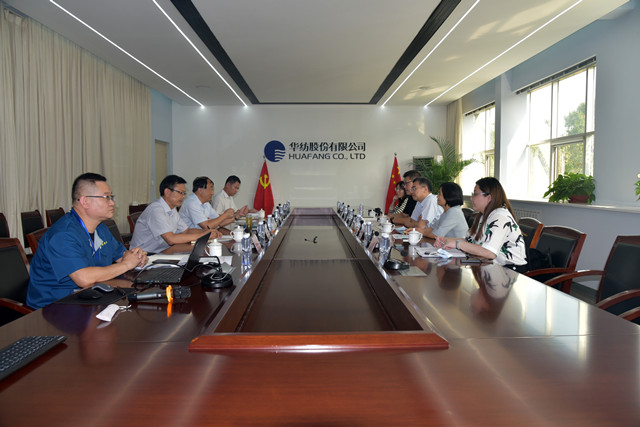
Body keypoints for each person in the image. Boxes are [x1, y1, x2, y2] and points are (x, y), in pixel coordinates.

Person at [27, 173, 148, 310]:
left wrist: (136, 257)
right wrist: (126, 264)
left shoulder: (100, 228)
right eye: (106, 197)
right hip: (55, 307)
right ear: (85, 201)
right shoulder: (63, 234)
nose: (112, 203)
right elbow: (83, 278)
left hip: (92, 296)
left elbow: (122, 256)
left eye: (111, 197)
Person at [435, 177, 527, 271]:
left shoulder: (500, 216)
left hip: (510, 270)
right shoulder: (483, 215)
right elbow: (469, 240)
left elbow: (490, 252)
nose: (471, 198)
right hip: (489, 265)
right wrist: (446, 240)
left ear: (489, 197)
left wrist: (457, 244)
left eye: (475, 194)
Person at [130, 175, 215, 253]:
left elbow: (186, 231)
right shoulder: (156, 210)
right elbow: (171, 239)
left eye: (184, 193)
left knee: (204, 250)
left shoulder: (172, 209)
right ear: (167, 192)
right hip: (144, 255)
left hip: (163, 250)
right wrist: (202, 235)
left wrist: (207, 232)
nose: (183, 197)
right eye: (180, 193)